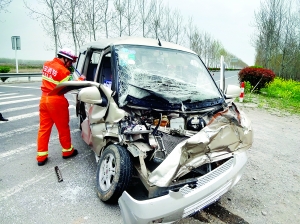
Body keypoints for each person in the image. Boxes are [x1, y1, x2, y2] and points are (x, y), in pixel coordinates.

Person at [37, 48, 80, 166]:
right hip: (56, 100)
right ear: (65, 58)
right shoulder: (63, 71)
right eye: (70, 61)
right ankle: (67, 151)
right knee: (63, 128)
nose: (70, 64)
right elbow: (68, 87)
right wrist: (79, 80)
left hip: (44, 99)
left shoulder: (46, 64)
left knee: (44, 129)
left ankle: (41, 156)